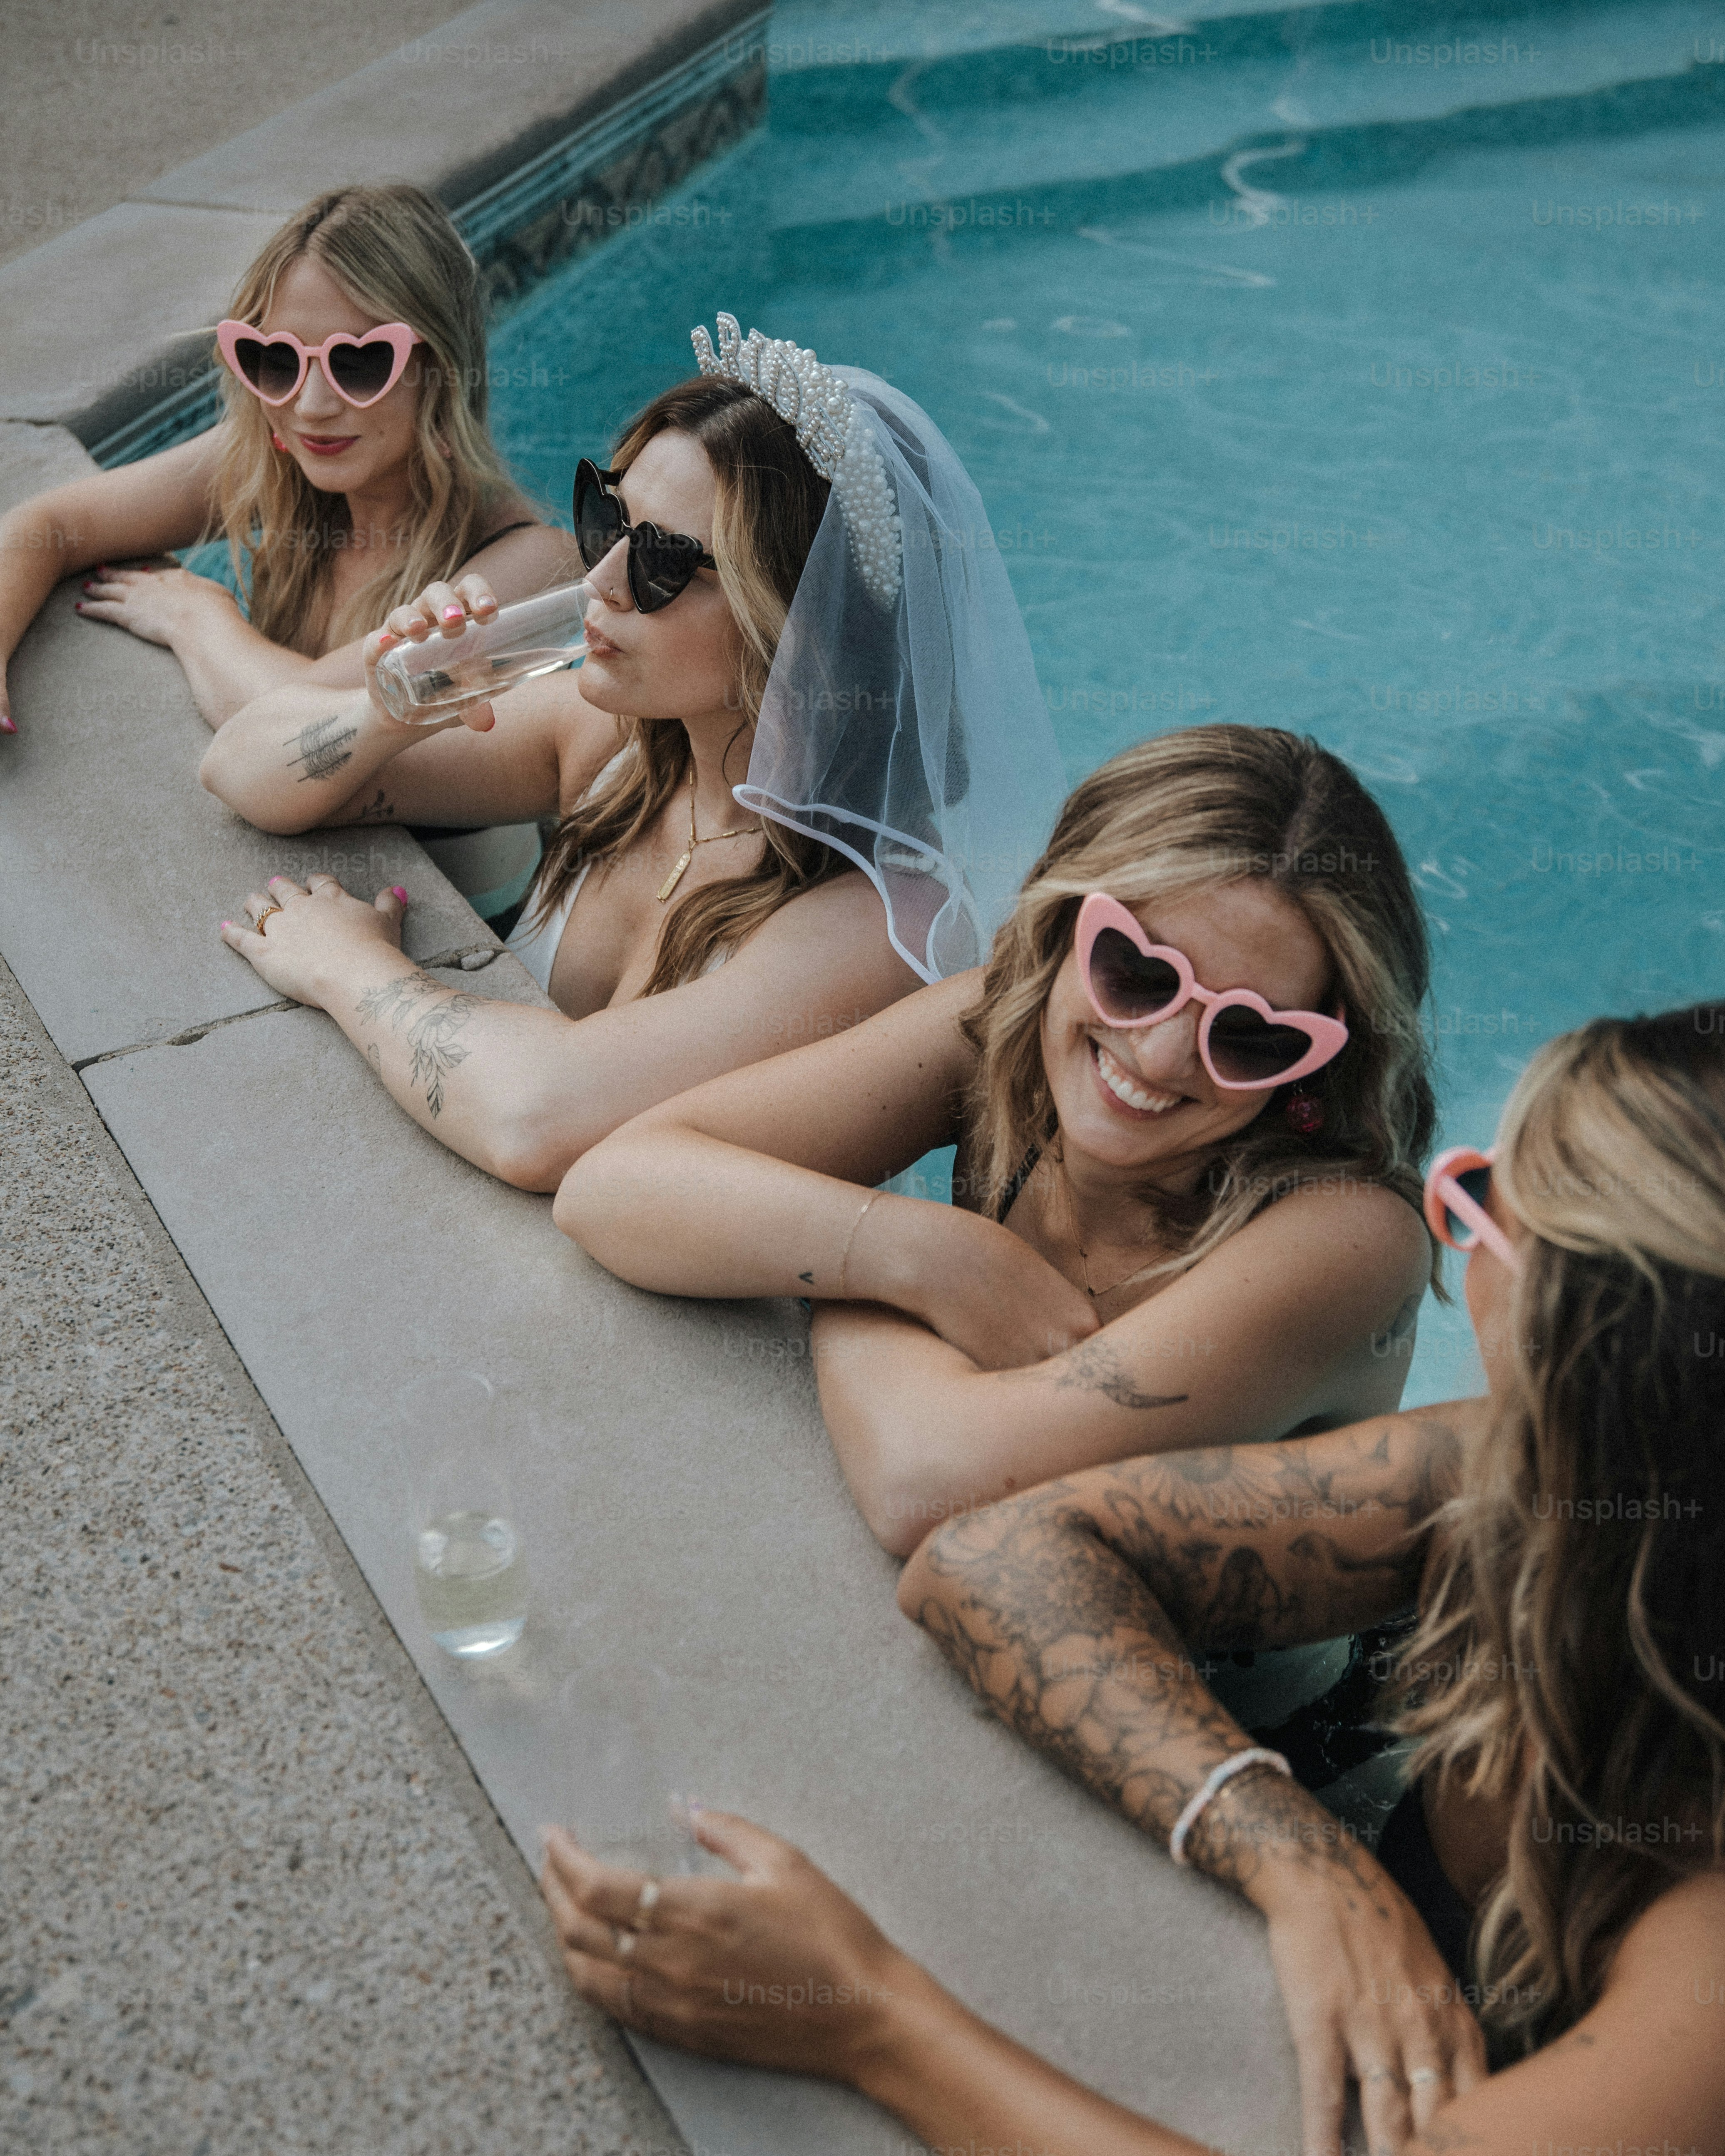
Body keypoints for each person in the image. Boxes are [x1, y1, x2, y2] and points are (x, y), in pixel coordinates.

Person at [539, 1002, 1725, 2156]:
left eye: (1483, 1199)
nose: (1454, 1230)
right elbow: (994, 1557)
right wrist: (1295, 1856)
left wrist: (869, 2018)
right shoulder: (1515, 1482)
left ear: (1599, 1334)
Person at [558, 726, 1438, 1594]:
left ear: (1317, 1061)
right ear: (1061, 924)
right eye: (1137, 971)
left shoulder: (1350, 1239)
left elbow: (925, 1482)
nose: (1162, 1053)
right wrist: (923, 1254)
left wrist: (844, 1264)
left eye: (1251, 1034)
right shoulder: (1005, 1034)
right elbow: (611, 1183)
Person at [199, 316, 1065, 1190]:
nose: (601, 579)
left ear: (799, 628)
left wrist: (347, 963)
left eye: (661, 563)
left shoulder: (880, 923)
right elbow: (239, 767)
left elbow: (535, 1120)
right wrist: (399, 701)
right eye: (606, 520)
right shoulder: (623, 755)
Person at [0, 183, 563, 739]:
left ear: (441, 369)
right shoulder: (277, 460)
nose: (310, 406)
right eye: (276, 360)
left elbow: (309, 731)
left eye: (358, 363)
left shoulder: (531, 566)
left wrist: (197, 616)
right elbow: (53, 526)